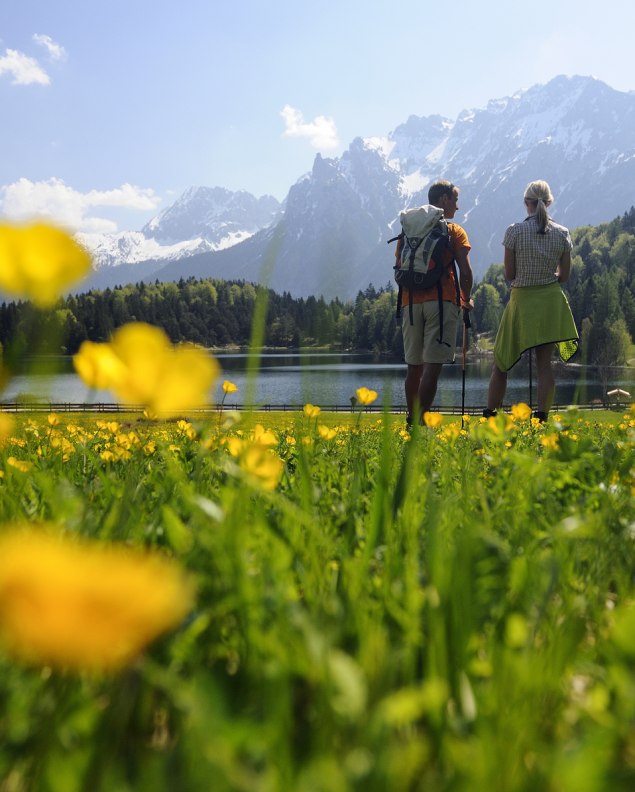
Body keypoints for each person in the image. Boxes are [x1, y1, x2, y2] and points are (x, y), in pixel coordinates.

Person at [485, 180, 579, 422]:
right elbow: (565, 276)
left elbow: (509, 275)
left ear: (526, 203)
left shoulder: (514, 231)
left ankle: (490, 416)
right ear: (549, 203)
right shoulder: (562, 233)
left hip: (521, 302)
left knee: (501, 363)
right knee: (544, 365)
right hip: (550, 302)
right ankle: (542, 417)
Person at [399, 180, 473, 426]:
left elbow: (400, 265)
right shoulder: (453, 231)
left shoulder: (408, 230)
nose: (457, 207)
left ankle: (411, 421)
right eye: (454, 200)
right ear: (443, 200)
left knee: (414, 367)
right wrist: (466, 297)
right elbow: (465, 269)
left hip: (409, 304)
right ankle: (419, 422)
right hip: (441, 304)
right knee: (432, 366)